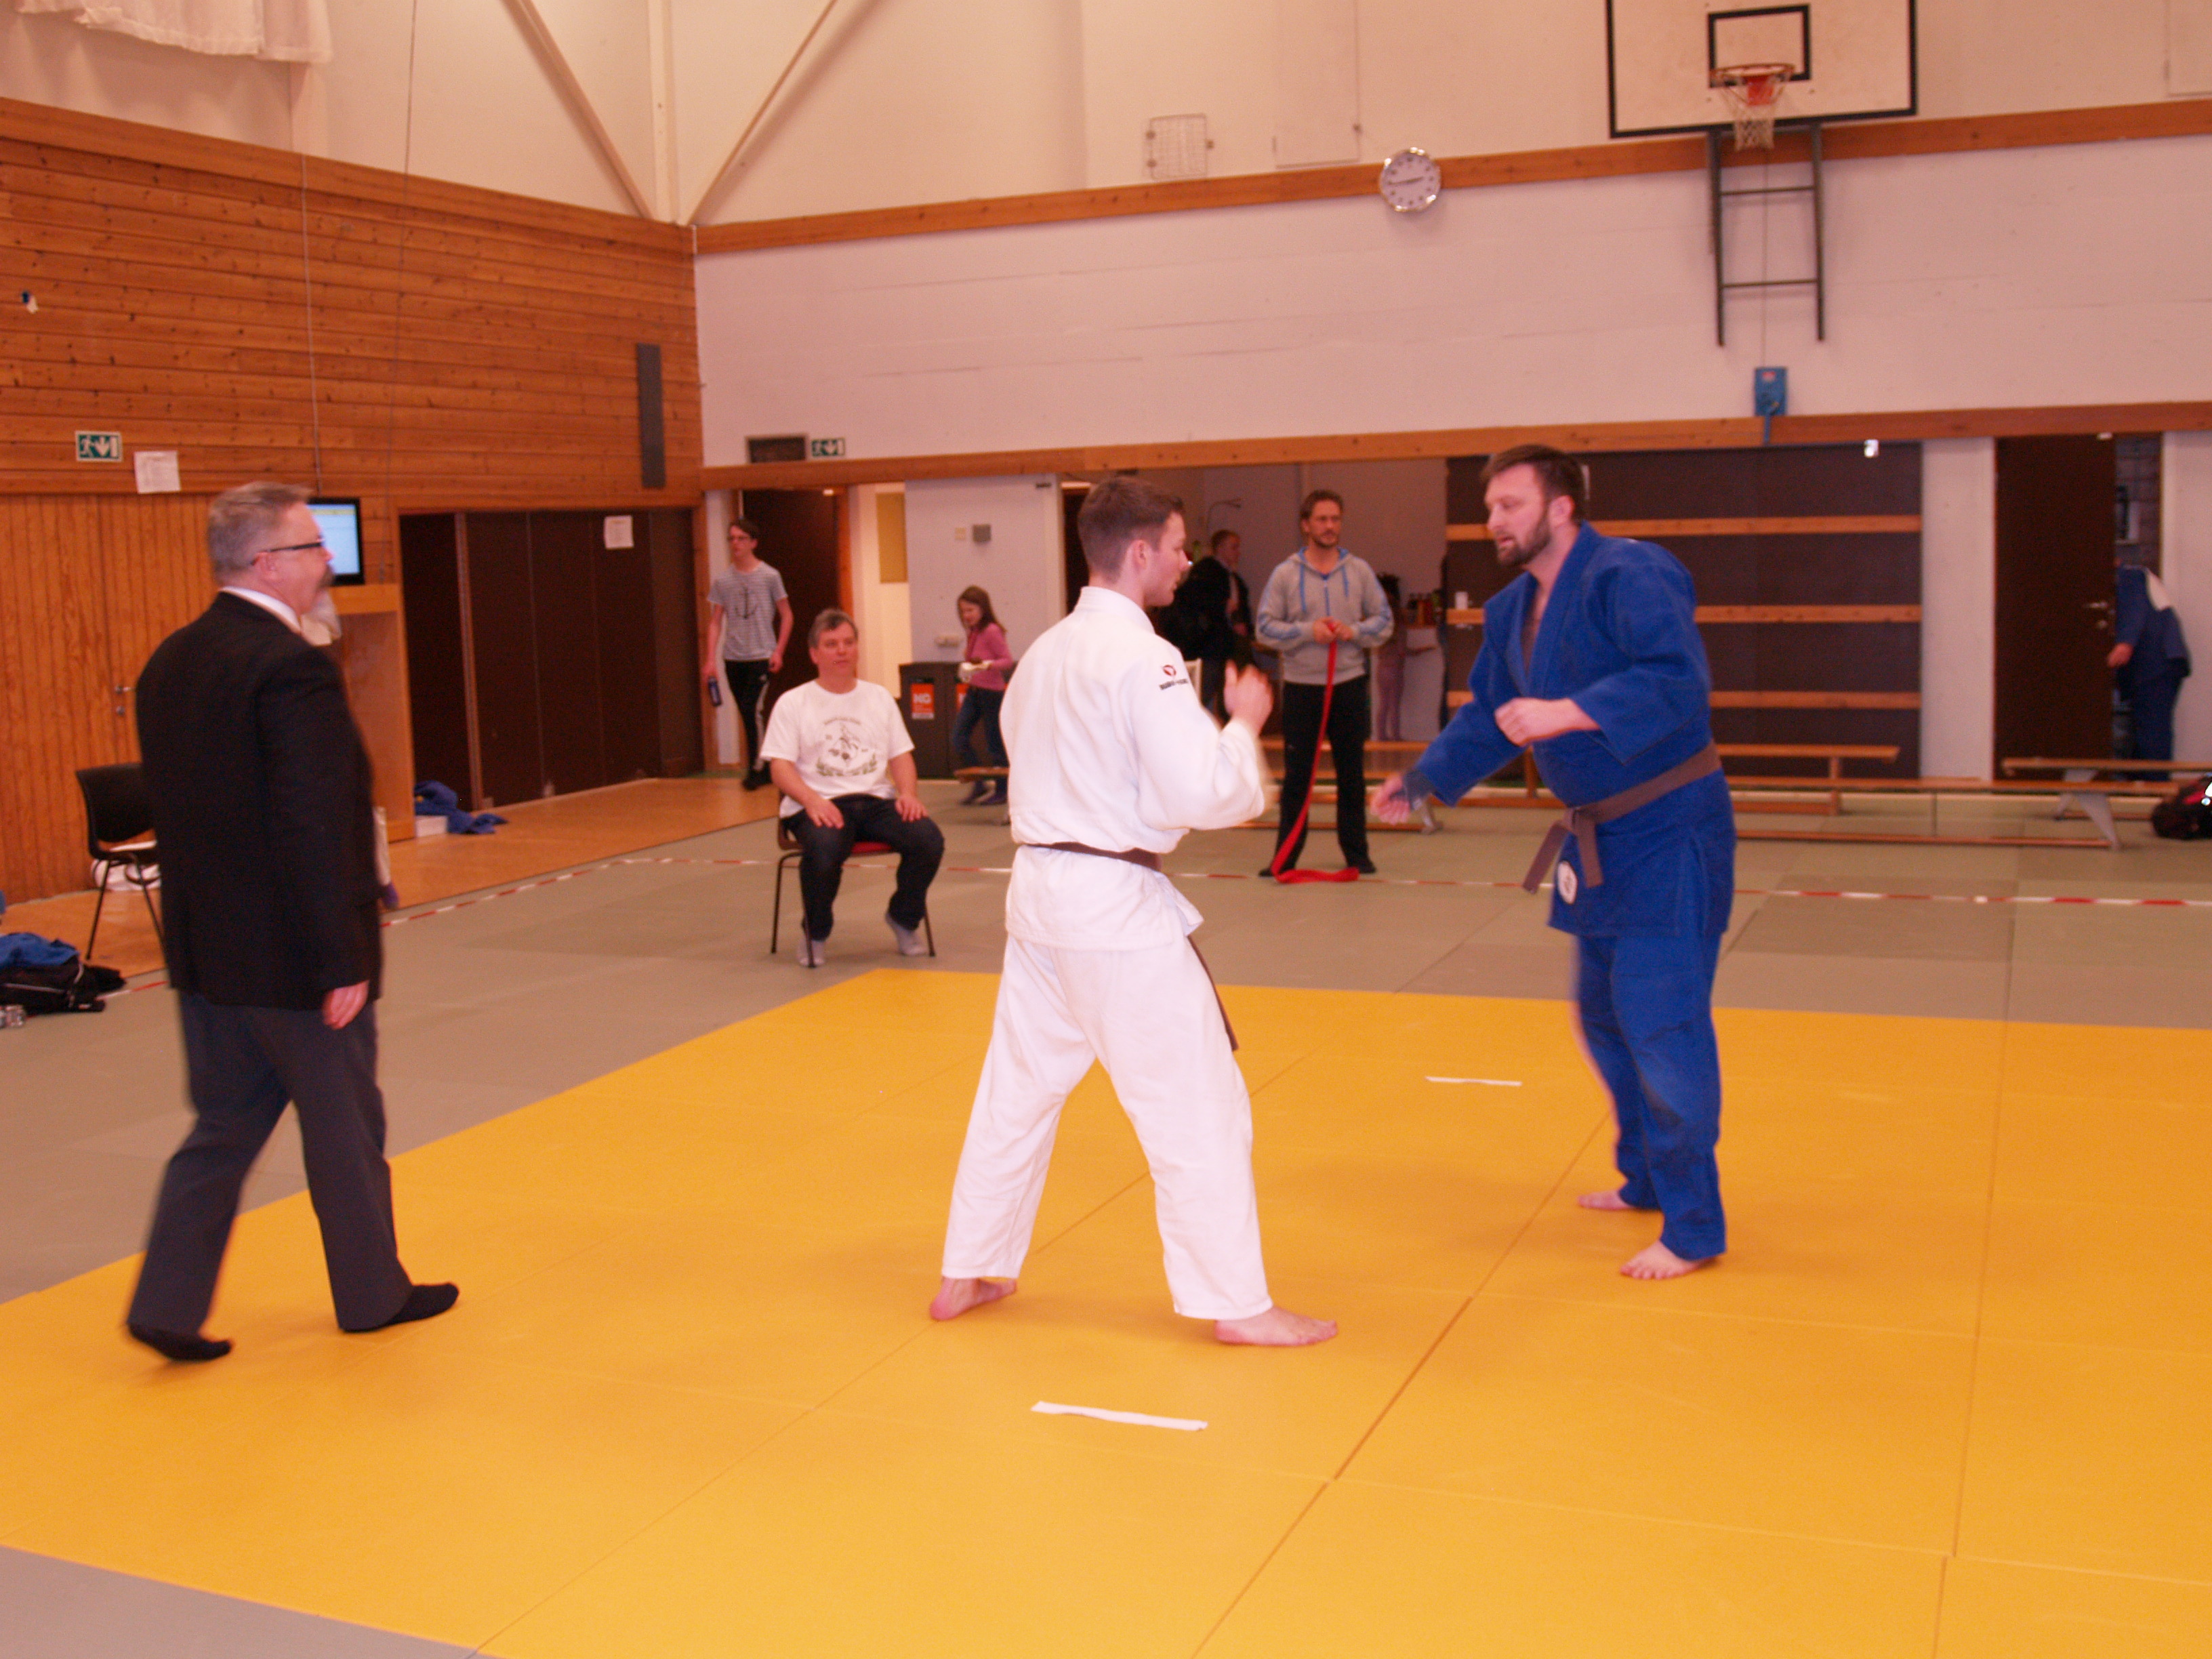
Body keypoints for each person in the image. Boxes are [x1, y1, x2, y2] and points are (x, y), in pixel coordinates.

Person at [930, 476, 1335, 1347]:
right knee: (1198, 1104)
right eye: (1179, 548)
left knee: (1017, 1092)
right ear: (1141, 551)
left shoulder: (1044, 653)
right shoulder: (1143, 656)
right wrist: (1242, 726)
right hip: (1113, 912)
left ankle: (970, 1264)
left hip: (1039, 899)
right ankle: (1238, 1304)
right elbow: (1203, 793)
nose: (1187, 563)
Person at [1376, 445, 1732, 1281]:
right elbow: (1491, 716)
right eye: (1490, 507)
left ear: (1561, 508)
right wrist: (1424, 779)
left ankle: (1694, 1225)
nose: (1493, 521)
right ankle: (1646, 1176)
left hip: (1671, 829)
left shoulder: (1630, 574)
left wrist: (1571, 711)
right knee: (1604, 1017)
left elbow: (1678, 680)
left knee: (1662, 1021)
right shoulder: (1512, 610)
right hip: (1599, 840)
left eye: (1511, 505)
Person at [125, 483, 456, 1362]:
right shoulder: (289, 666)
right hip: (295, 962)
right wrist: (342, 956)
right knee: (345, 1128)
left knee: (224, 1126)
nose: (328, 562)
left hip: (209, 955)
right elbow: (314, 819)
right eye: (313, 547)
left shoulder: (172, 660)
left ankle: (167, 1302)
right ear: (267, 563)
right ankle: (372, 1293)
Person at [760, 609, 943, 968]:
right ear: (815, 654)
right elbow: (780, 768)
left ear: (857, 648)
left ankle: (903, 918)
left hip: (875, 801)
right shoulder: (793, 702)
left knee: (928, 840)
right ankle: (815, 933)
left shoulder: (879, 698)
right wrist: (811, 801)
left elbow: (901, 756)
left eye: (848, 642)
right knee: (825, 849)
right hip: (818, 803)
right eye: (831, 644)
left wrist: (908, 794)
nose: (841, 651)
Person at [1255, 489, 1393, 876]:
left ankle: (1357, 854)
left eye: (1335, 519)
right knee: (1298, 777)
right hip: (1302, 688)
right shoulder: (1285, 574)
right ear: (1306, 525)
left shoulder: (1359, 571)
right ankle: (1285, 857)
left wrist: (1355, 631)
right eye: (1322, 519)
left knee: (1352, 773)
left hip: (1348, 684)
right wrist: (1307, 631)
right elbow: (1265, 627)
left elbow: (1384, 621)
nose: (1330, 526)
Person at [702, 516, 794, 790]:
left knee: (752, 709)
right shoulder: (723, 580)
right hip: (734, 658)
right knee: (746, 713)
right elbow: (715, 622)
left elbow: (787, 615)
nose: (736, 544)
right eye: (732, 539)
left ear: (753, 543)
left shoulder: (770, 576)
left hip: (761, 655)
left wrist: (778, 651)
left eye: (742, 539)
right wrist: (710, 660)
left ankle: (759, 768)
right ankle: (762, 763)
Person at [2111, 554, 2191, 760]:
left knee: (2152, 730)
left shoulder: (2131, 576)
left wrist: (2125, 643)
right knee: (2149, 728)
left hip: (2155, 665)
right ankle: (2149, 775)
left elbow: (2135, 611)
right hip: (2161, 663)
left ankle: (2154, 777)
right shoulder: (2138, 577)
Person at [1175, 528, 1254, 718]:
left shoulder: (1234, 579)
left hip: (1229, 644)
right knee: (1205, 691)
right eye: (1234, 547)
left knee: (1227, 691)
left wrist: (1245, 626)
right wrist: (1221, 605)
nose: (1238, 552)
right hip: (1209, 645)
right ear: (1220, 548)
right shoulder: (1205, 572)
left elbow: (1241, 609)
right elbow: (1192, 600)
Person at [952, 586, 1014, 806]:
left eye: (970, 610)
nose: (966, 616)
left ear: (982, 609)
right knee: (959, 737)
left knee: (995, 743)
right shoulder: (974, 631)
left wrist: (986, 665)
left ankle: (1003, 790)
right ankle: (979, 784)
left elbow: (1007, 660)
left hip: (992, 694)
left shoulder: (991, 631)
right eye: (963, 611)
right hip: (975, 691)